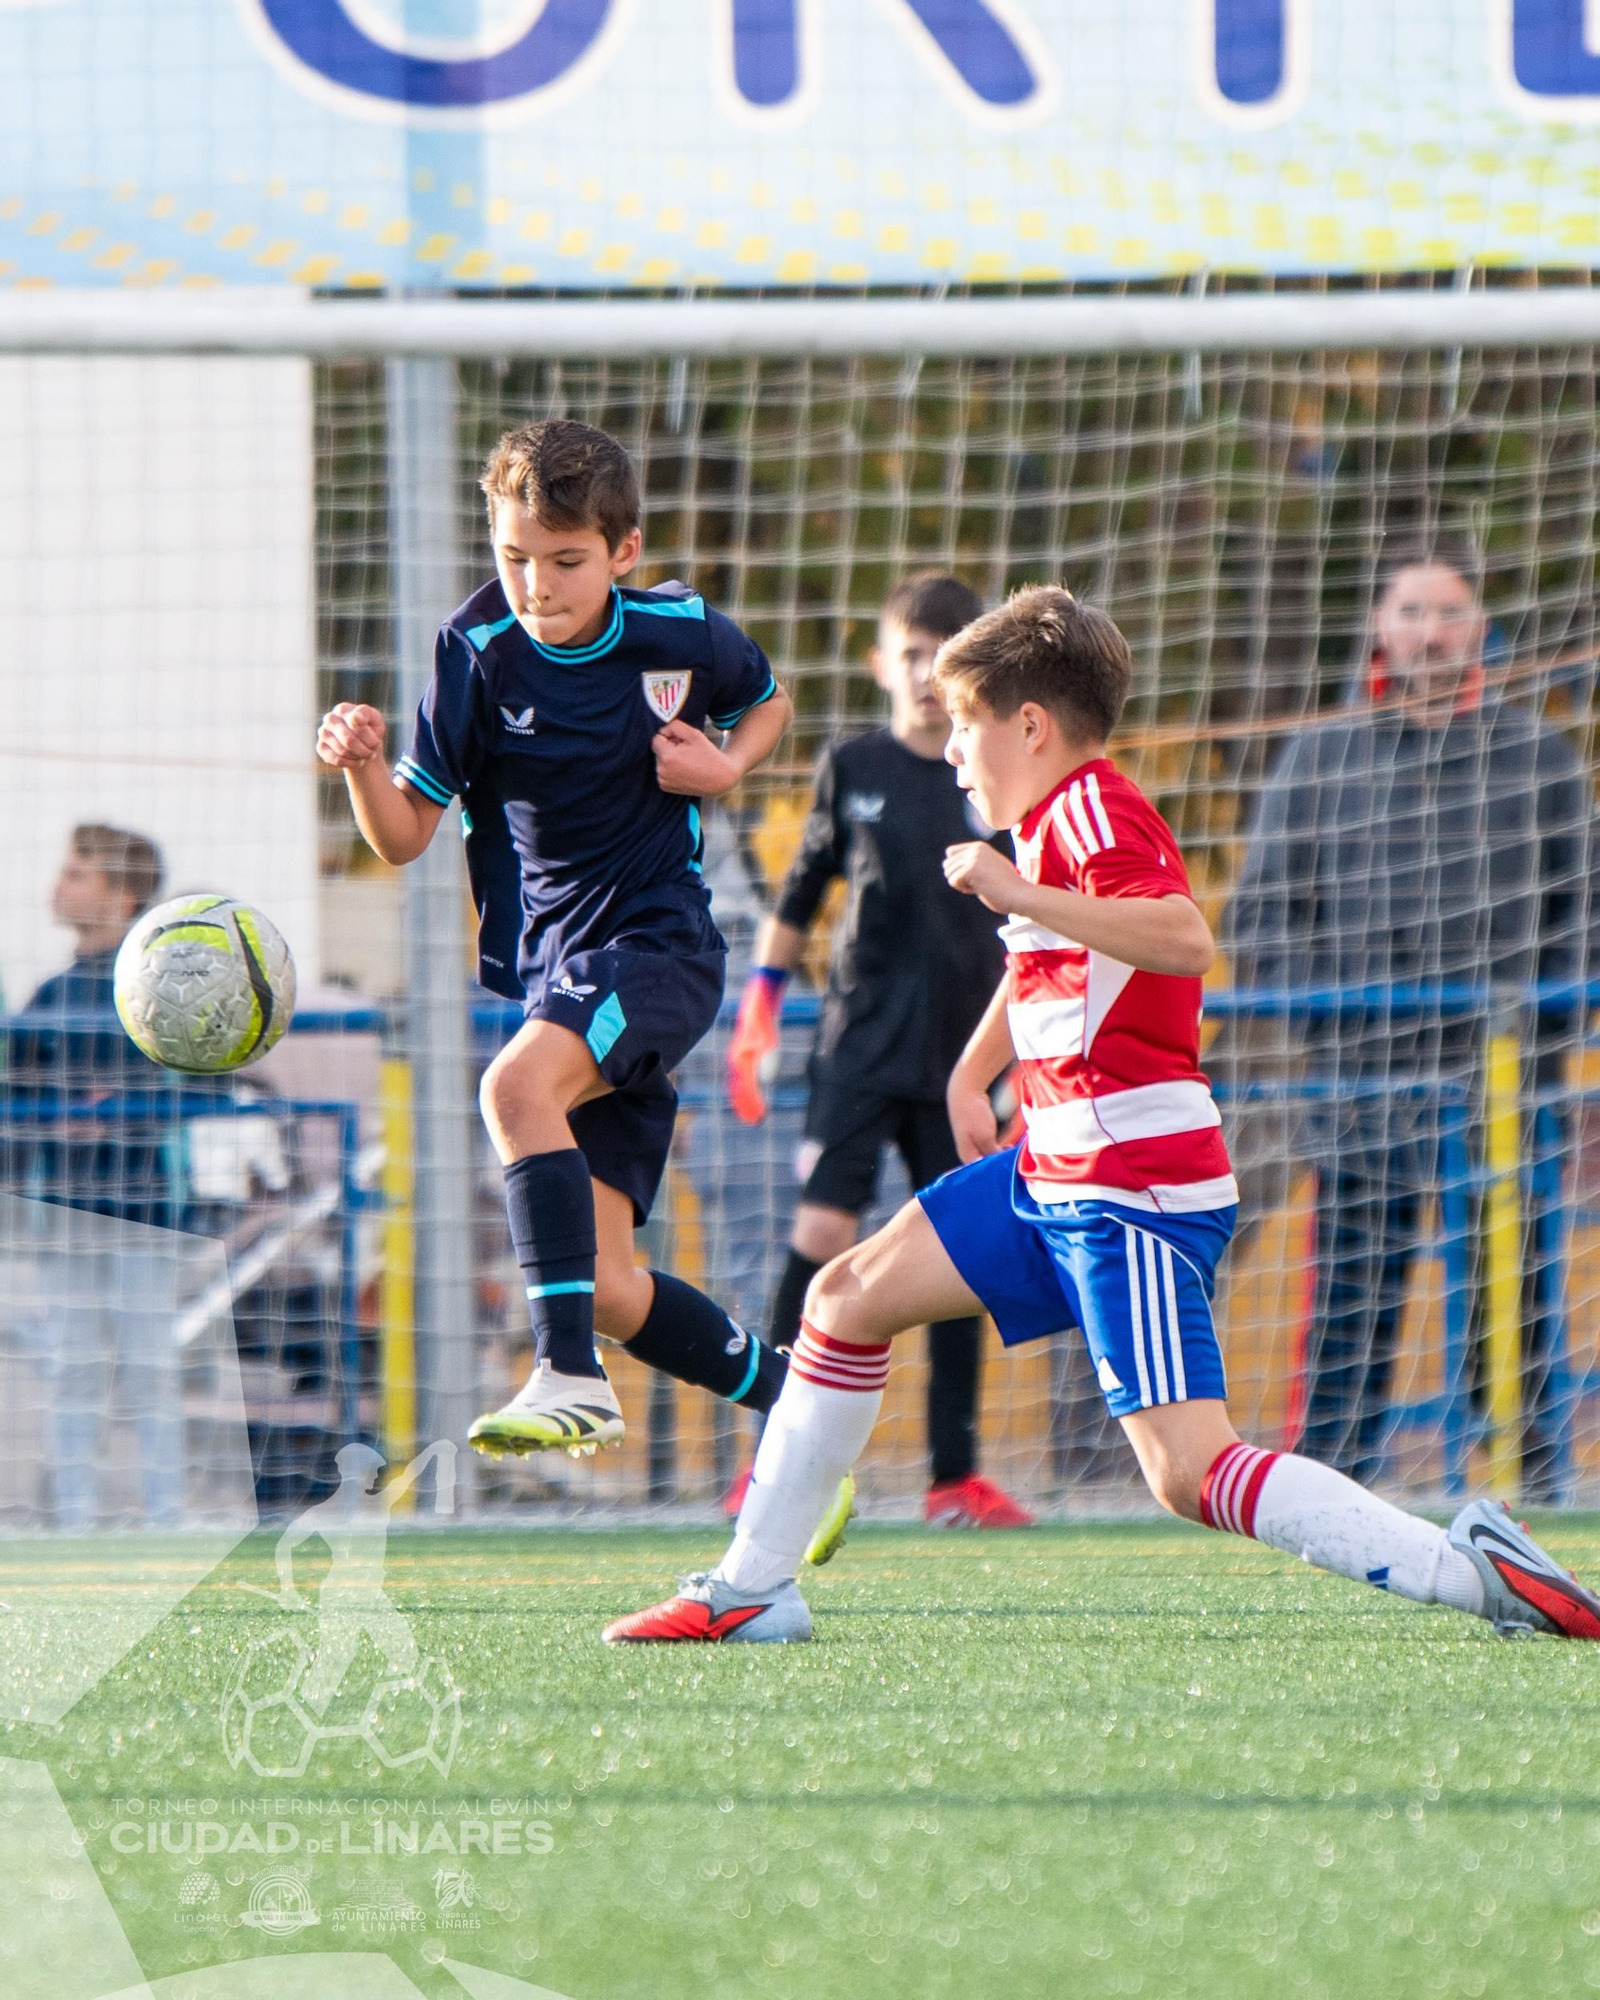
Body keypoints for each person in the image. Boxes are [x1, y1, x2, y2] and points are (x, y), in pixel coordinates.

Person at [604, 585, 1600, 1645]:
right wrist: (971, 1070)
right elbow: (1053, 958)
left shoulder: (1091, 810)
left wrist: (1017, 892)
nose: (948, 755)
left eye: (961, 727)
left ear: (1028, 724)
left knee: (1188, 1470)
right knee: (845, 1296)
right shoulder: (1046, 823)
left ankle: (1472, 1569)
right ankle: (752, 1584)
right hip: (1054, 1169)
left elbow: (1177, 935)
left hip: (1131, 1187)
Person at [316, 419, 847, 1553]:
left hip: (658, 950)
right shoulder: (474, 653)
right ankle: (803, 1411)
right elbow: (405, 834)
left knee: (513, 1094)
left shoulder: (676, 629)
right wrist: (364, 764)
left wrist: (727, 764)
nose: (538, 584)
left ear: (621, 550)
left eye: (565, 560)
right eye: (516, 557)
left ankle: (565, 1374)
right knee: (608, 1279)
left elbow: (768, 698)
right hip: (561, 979)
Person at [1225, 533, 1599, 1499]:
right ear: (1379, 631)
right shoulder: (1318, 759)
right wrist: (1331, 1015)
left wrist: (1542, 1020)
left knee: (1510, 1293)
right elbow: (1262, 915)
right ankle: (1332, 1487)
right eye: (1411, 612)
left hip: (1503, 1085)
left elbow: (1585, 912)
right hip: (1360, 1082)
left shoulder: (1541, 759)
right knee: (1352, 1296)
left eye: (1447, 613)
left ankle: (1532, 1481)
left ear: (1479, 629)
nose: (1429, 633)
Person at [725, 571, 1032, 1528]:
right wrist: (760, 1007)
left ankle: (954, 1478)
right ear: (880, 663)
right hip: (858, 1051)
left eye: (941, 666)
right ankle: (772, 1462)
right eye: (908, 659)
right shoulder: (852, 766)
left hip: (959, 1066)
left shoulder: (992, 777)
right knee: (820, 1243)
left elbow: (1033, 927)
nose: (924, 682)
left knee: (958, 1265)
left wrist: (1015, 1063)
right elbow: (803, 891)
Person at [6, 824, 185, 1527]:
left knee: (151, 1377)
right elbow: (17, 1096)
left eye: (78, 873)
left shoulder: (161, 987)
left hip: (145, 1221)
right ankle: (74, 1526)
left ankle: (171, 1523)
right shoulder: (50, 995)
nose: (60, 884)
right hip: (68, 1223)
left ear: (122, 897)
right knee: (73, 1377)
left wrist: (123, 1113)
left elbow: (199, 1082)